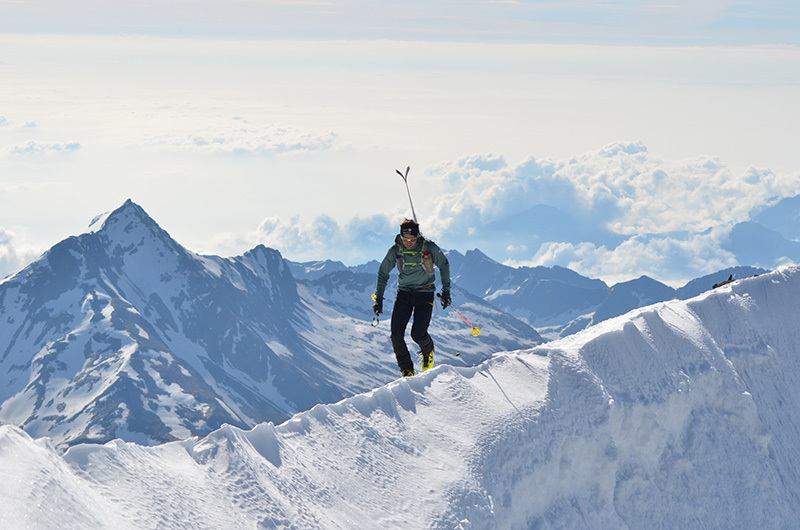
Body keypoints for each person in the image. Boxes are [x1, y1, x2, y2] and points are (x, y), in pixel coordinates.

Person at [373, 219, 451, 377]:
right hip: (404, 294)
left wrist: (446, 292)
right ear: (400, 237)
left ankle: (428, 349)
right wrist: (379, 298)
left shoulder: (429, 247)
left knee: (418, 334)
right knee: (396, 334)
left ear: (418, 236)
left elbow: (444, 264)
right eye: (405, 239)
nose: (408, 243)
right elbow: (383, 272)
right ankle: (407, 370)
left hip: (425, 293)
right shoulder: (396, 250)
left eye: (412, 239)